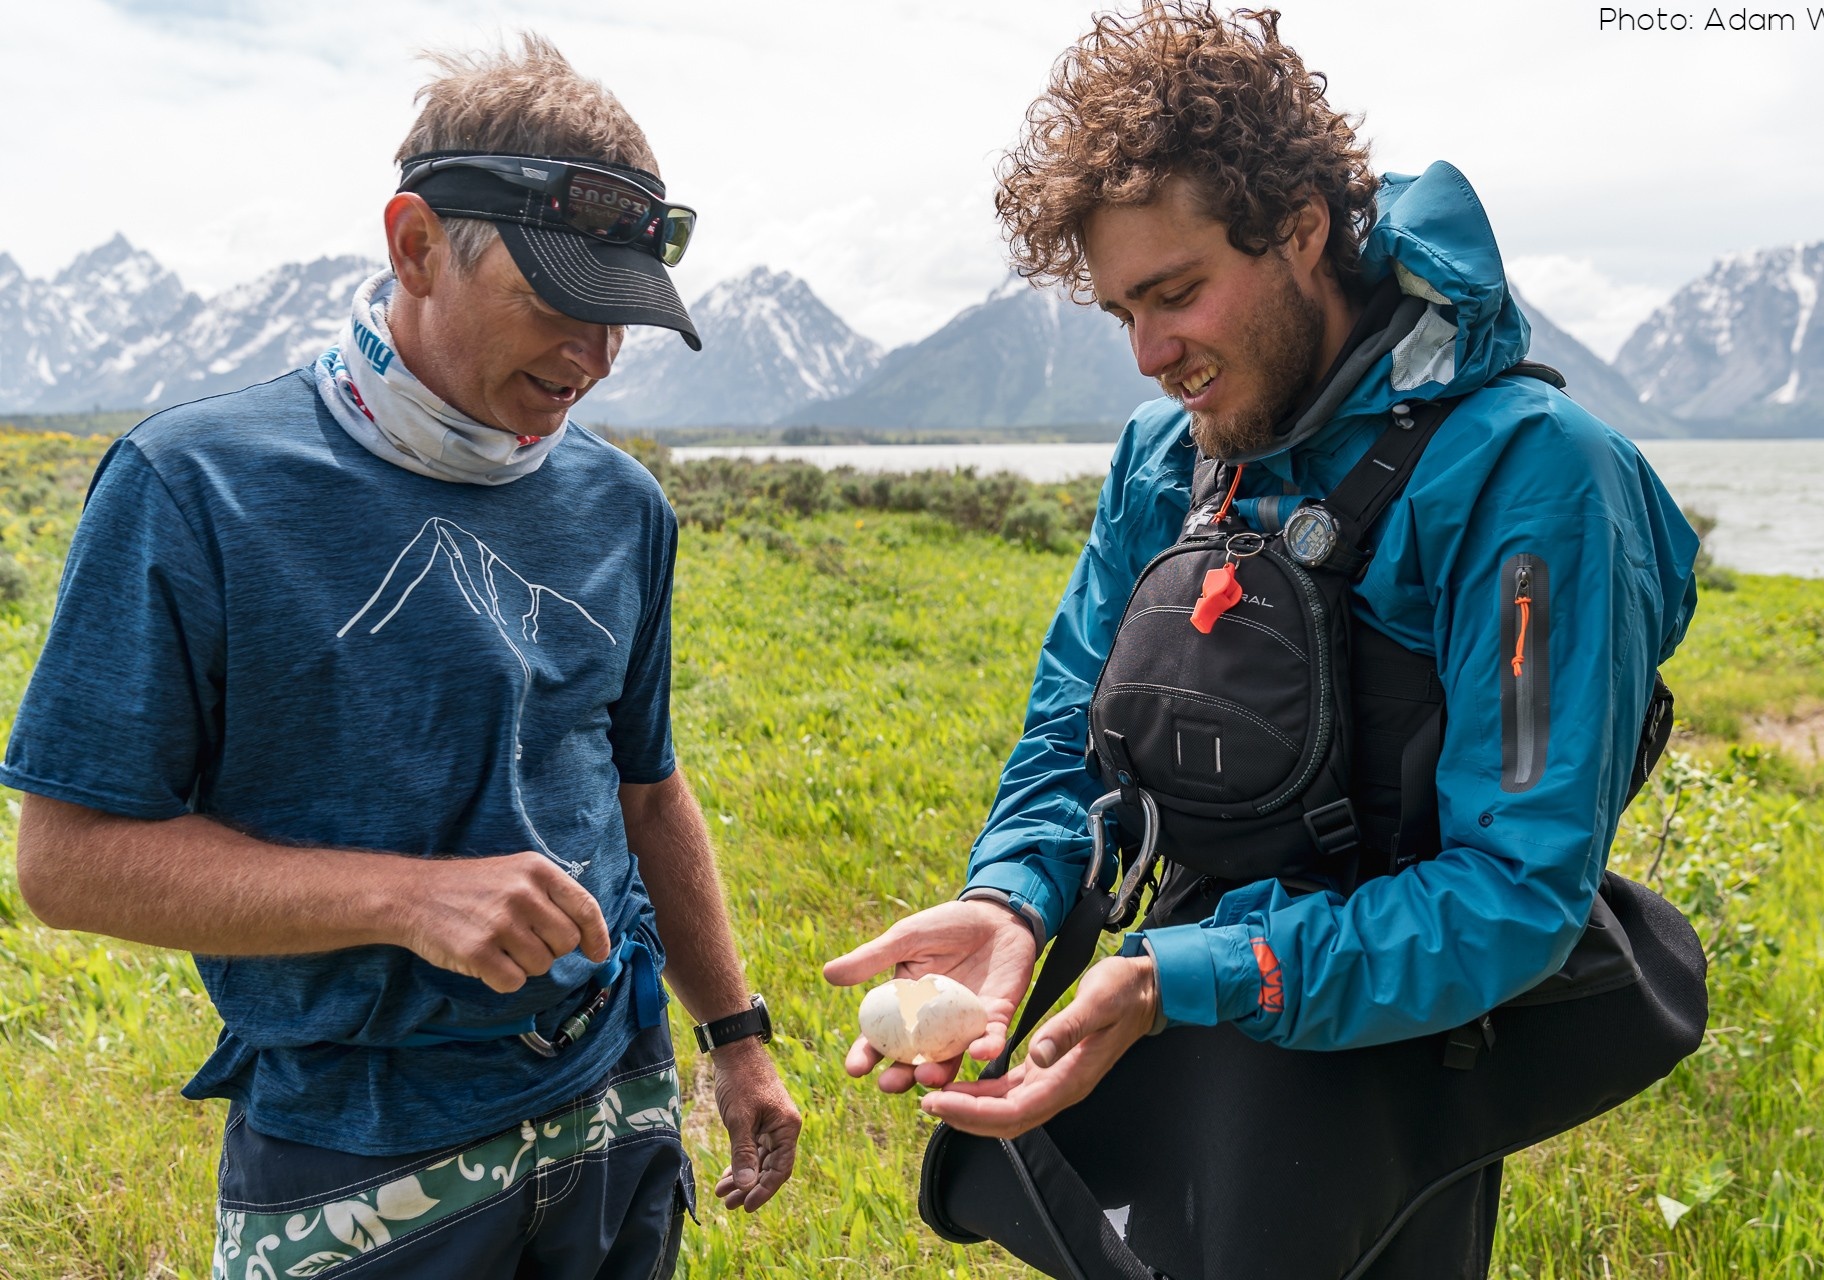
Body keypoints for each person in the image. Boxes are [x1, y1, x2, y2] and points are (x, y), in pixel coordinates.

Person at [827, 5, 1699, 1276]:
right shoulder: (1171, 459)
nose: (1151, 355)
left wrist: (1194, 974)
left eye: (1177, 293)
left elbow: (1515, 894)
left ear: (1302, 232)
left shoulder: (1536, 482)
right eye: (1124, 309)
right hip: (1175, 1009)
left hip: (1383, 1050)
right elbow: (1075, 729)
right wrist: (1011, 895)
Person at [6, 35, 798, 1279]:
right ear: (415, 242)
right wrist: (407, 896)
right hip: (361, 1157)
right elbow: (66, 862)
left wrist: (734, 1033)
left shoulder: (623, 505)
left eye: (622, 323)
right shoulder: (193, 484)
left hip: (614, 1104)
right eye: (559, 303)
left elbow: (645, 785)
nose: (592, 364)